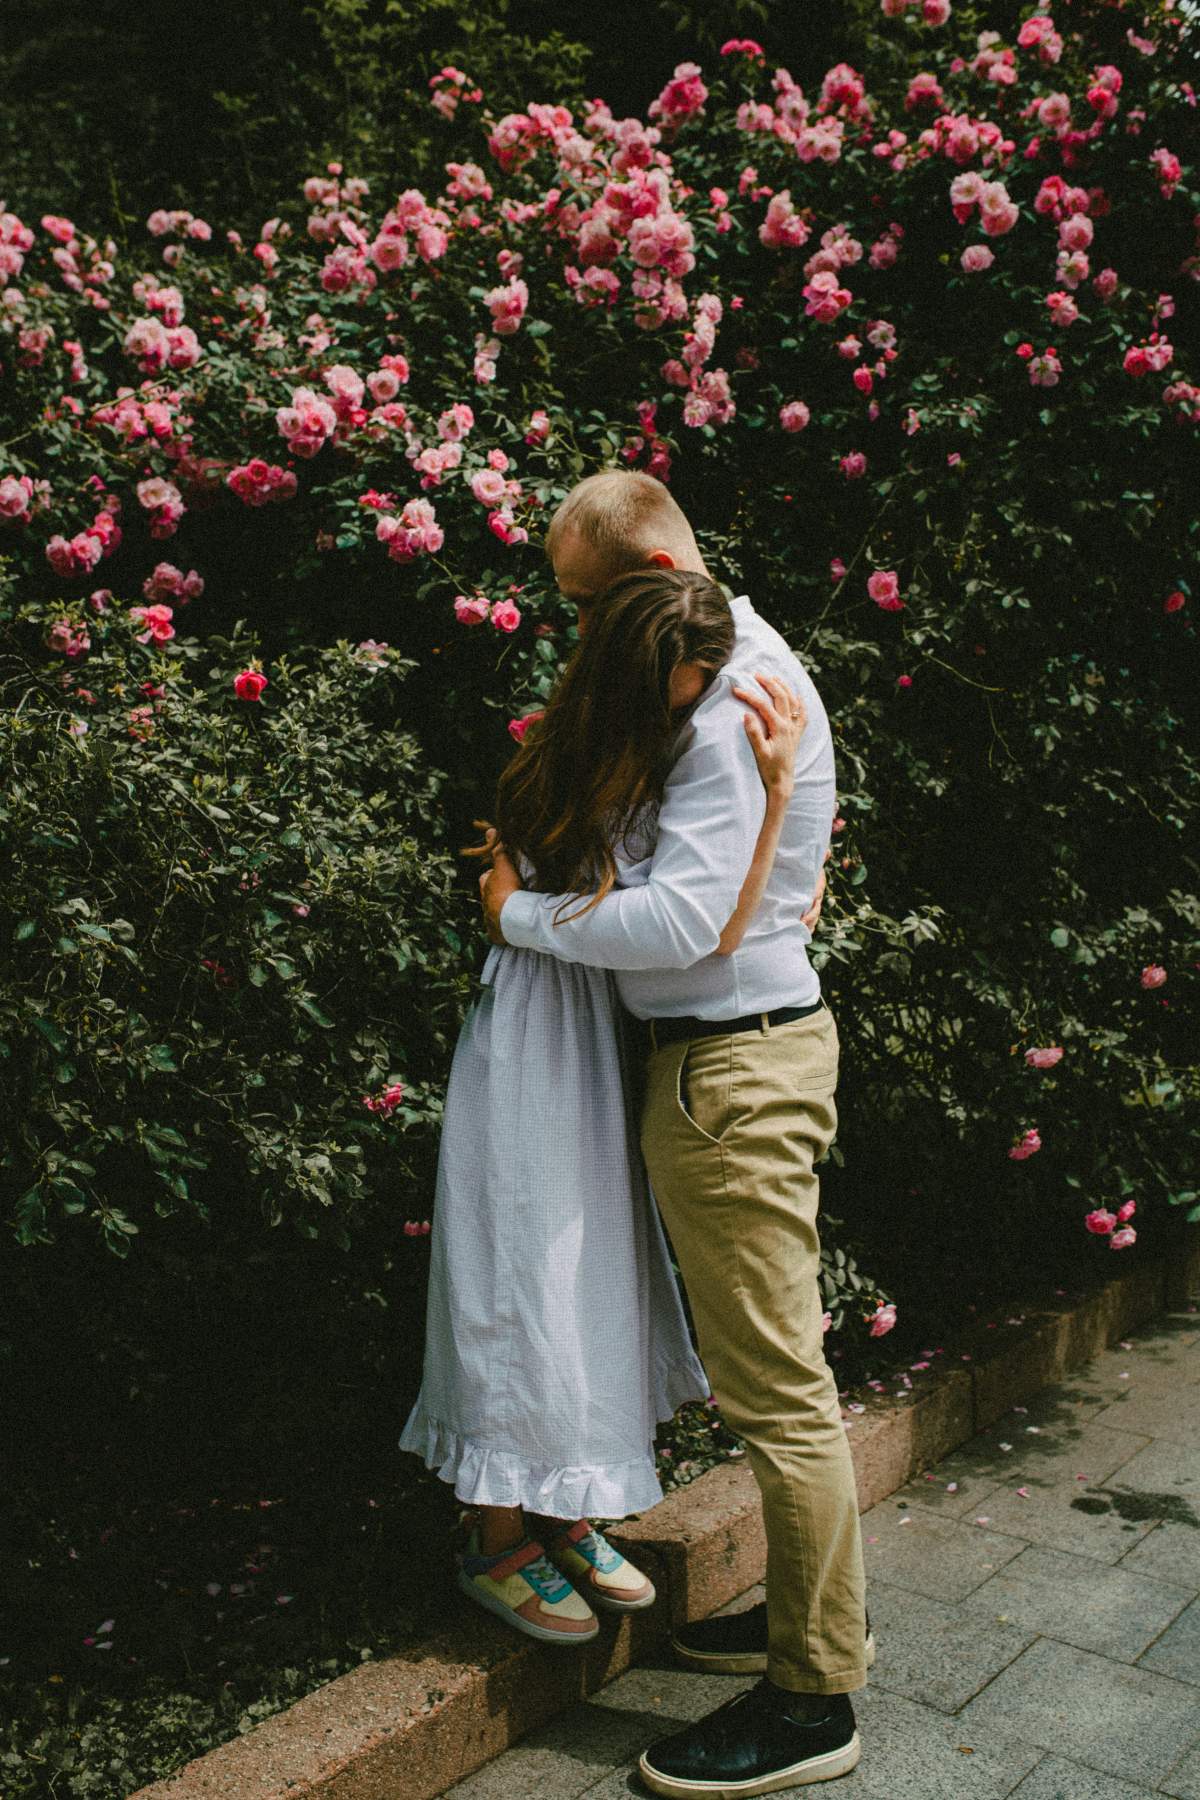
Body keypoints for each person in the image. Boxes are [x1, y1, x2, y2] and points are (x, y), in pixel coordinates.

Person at [481, 469, 869, 1797]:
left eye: (586, 601)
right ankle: (817, 1617)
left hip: (734, 1075)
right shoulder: (720, 665)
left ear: (645, 562)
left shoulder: (725, 694)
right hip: (731, 1059)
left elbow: (678, 926)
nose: (576, 628)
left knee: (777, 1393)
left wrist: (516, 918)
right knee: (777, 1380)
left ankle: (815, 1699)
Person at [401, 564, 811, 1649]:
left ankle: (563, 1511)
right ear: (641, 673)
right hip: (537, 1035)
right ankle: (495, 1536)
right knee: (523, 1264)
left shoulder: (643, 743)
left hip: (593, 1033)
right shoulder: (582, 754)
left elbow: (707, 916)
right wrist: (773, 802)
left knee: (586, 1271)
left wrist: (773, 808)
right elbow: (707, 928)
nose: (705, 698)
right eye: (689, 680)